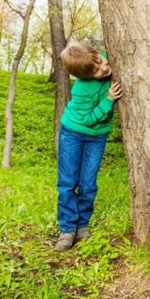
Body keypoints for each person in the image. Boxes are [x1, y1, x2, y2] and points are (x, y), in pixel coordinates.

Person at [54, 42, 122, 252]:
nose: (103, 68)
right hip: (73, 133)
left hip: (97, 136)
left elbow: (103, 59)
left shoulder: (100, 58)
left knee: (88, 183)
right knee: (68, 182)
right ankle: (67, 228)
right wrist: (108, 100)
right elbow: (90, 118)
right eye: (96, 71)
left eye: (100, 61)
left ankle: (82, 225)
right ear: (84, 76)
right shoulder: (81, 88)